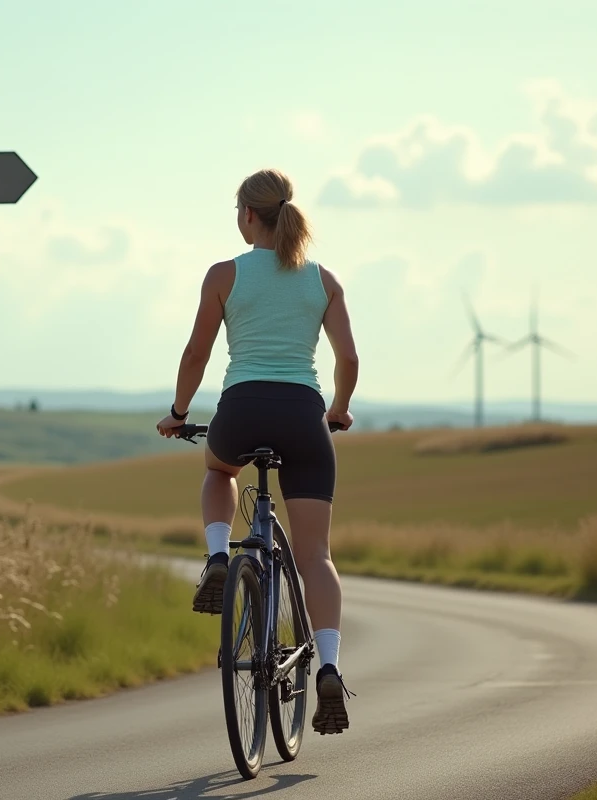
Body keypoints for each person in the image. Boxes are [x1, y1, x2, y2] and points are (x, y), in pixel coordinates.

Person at [155, 167, 360, 735]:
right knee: (315, 553)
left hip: (242, 410)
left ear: (248, 215)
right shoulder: (322, 279)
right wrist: (338, 409)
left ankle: (220, 557)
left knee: (218, 470)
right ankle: (328, 667)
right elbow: (348, 359)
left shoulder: (225, 274)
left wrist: (177, 413)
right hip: (303, 415)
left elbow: (197, 353)